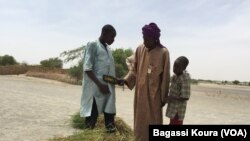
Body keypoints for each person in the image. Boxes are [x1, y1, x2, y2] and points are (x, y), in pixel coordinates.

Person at [123, 22, 170, 141]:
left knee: (154, 123)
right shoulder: (140, 49)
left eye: (147, 39)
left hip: (155, 97)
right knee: (140, 123)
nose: (145, 41)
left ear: (155, 38)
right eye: (143, 38)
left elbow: (165, 77)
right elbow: (134, 69)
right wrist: (125, 80)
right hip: (140, 95)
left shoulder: (163, 52)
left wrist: (163, 98)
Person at [80, 24, 117, 133]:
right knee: (91, 119)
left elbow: (106, 73)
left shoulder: (108, 49)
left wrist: (116, 81)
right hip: (95, 90)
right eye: (112, 37)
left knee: (110, 115)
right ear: (104, 34)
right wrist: (100, 85)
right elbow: (87, 68)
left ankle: (110, 136)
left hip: (107, 89)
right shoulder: (93, 45)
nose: (113, 40)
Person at [165, 56, 191, 125]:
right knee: (172, 123)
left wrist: (170, 97)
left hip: (178, 110)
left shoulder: (185, 78)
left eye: (177, 67)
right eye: (174, 65)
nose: (174, 68)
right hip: (173, 107)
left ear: (184, 68)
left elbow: (186, 97)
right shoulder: (175, 76)